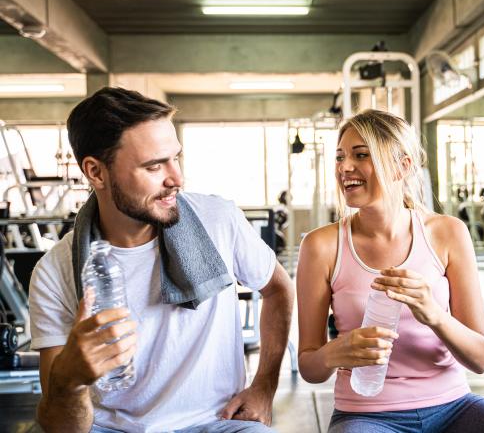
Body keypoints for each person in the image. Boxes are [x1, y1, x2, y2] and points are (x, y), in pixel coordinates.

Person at [296, 109, 484, 433]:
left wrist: (434, 314)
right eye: (340, 157)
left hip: (454, 408)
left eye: (361, 155)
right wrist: (336, 352)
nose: (345, 167)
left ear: (403, 166)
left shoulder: (448, 233)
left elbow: (481, 359)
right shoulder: (321, 246)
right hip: (366, 416)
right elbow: (309, 366)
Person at [28, 87, 294, 433]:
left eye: (175, 158)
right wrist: (70, 381)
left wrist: (264, 387)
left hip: (218, 422)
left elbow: (278, 289)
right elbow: (61, 427)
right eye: (154, 165)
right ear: (95, 172)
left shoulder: (219, 220)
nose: (176, 179)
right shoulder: (54, 271)